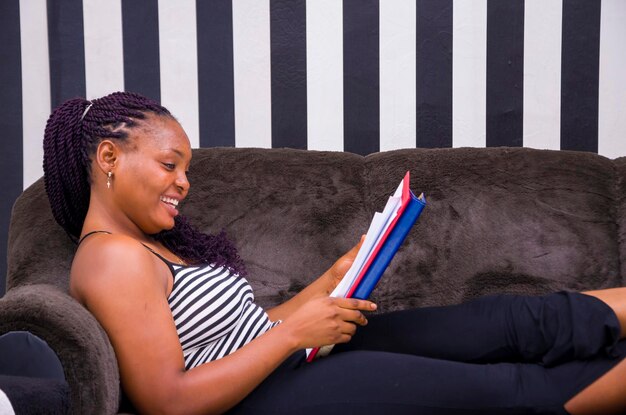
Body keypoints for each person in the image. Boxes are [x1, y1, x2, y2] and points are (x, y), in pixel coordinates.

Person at [42, 91, 626, 415]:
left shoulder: (147, 247)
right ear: (109, 159)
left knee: (508, 321)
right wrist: (294, 337)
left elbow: (234, 338)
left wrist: (330, 281)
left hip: (287, 363)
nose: (184, 182)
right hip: (268, 394)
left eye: (186, 169)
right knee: (508, 390)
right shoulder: (111, 257)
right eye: (170, 165)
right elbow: (168, 400)